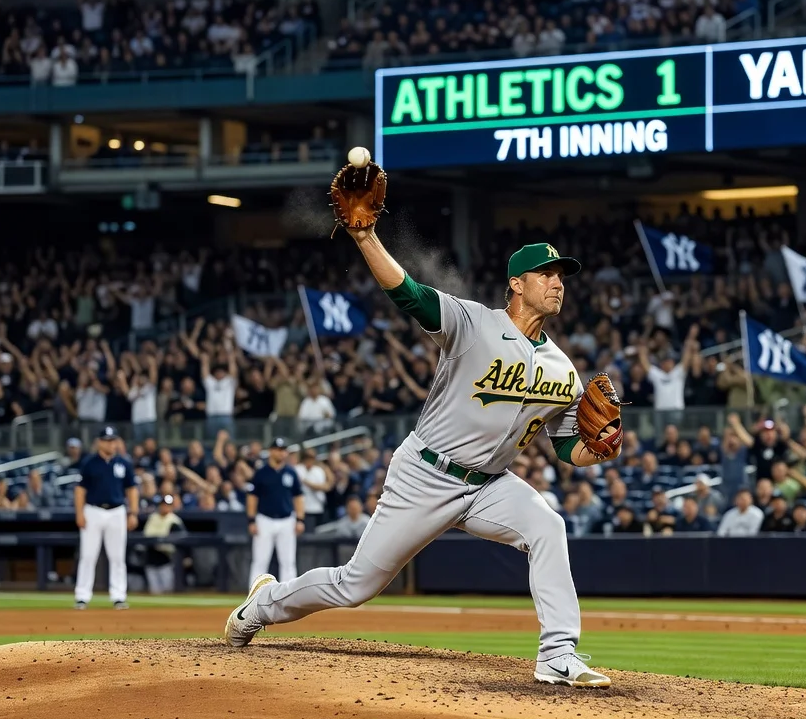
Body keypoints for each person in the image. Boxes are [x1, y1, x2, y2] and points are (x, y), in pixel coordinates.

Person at [225, 198, 618, 688]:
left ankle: (558, 655)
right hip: (425, 474)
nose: (558, 282)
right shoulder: (474, 324)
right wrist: (365, 237)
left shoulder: (564, 368)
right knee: (356, 586)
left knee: (548, 527)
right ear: (517, 284)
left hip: (490, 486)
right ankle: (262, 603)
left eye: (562, 275)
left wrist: (600, 448)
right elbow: (406, 292)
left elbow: (567, 450)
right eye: (546, 274)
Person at [73, 426, 139, 610]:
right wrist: (79, 513)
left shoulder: (123, 463)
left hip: (117, 511)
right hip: (93, 510)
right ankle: (82, 596)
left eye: (113, 440)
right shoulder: (89, 463)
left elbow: (132, 489)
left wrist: (133, 513)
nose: (111, 443)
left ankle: (119, 596)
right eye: (108, 440)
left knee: (117, 556)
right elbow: (80, 490)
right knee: (88, 555)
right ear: (100, 442)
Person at [246, 438, 306, 584]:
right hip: (264, 519)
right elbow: (252, 498)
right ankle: (254, 596)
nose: (282, 453)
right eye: (279, 450)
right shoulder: (261, 473)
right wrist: (251, 520)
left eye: (284, 450)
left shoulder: (291, 472)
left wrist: (300, 519)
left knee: (288, 562)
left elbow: (298, 497)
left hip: (287, 520)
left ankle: (289, 597)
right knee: (260, 561)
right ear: (271, 451)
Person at [142, 494, 185, 594]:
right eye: (163, 505)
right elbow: (147, 535)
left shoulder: (175, 521)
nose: (165, 507)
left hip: (167, 560)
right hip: (151, 559)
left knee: (168, 590)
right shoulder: (153, 518)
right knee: (154, 591)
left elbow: (179, 543)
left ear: (172, 507)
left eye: (168, 505)